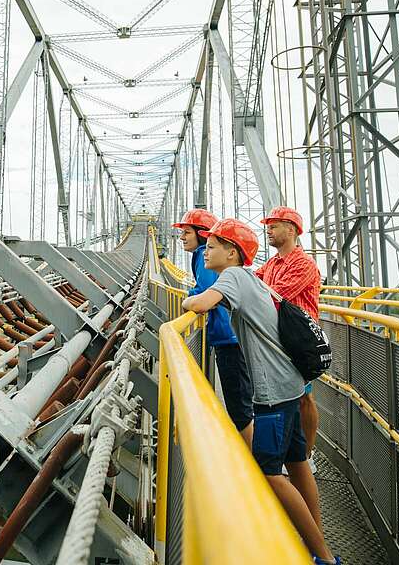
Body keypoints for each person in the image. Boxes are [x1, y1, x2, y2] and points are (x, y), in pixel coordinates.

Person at [181, 218, 339, 565]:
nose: (206, 250)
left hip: (272, 395)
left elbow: (200, 304)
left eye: (213, 245)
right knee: (298, 464)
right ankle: (318, 540)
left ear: (232, 252)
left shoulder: (234, 277)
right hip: (290, 385)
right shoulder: (253, 278)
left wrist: (187, 302)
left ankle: (323, 556)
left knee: (270, 472)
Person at [172, 209, 253, 445]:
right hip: (232, 338)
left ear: (201, 234)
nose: (182, 237)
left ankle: (258, 466)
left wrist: (188, 298)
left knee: (240, 407)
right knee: (243, 402)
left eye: (187, 232)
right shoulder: (205, 256)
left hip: (229, 340)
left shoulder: (200, 256)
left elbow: (205, 295)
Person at [257, 207, 322, 474]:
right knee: (290, 396)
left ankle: (306, 454)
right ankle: (293, 452)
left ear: (292, 230)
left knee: (304, 398)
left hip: (300, 341)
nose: (268, 230)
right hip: (280, 339)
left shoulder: (303, 264)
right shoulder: (272, 264)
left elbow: (274, 296)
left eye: (274, 225)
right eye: (268, 225)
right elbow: (254, 284)